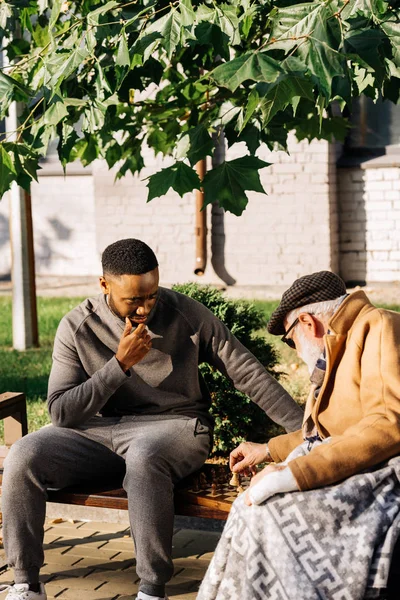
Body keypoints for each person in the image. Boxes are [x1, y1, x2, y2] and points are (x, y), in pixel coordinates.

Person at [0, 238, 303, 600]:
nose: (145, 308)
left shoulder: (186, 315)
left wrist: (305, 430)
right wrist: (119, 365)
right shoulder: (78, 326)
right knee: (24, 453)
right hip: (98, 435)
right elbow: (62, 413)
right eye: (133, 299)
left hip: (175, 427)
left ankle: (151, 589)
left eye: (152, 295)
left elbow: (247, 373)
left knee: (144, 459)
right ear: (104, 285)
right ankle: (27, 582)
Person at [197, 271, 400, 600]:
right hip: (352, 461)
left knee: (268, 511)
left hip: (382, 469)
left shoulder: (377, 326)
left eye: (290, 340)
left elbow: (387, 422)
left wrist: (295, 473)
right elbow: (328, 432)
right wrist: (267, 450)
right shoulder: (335, 350)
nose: (293, 351)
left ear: (308, 323)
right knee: (247, 506)